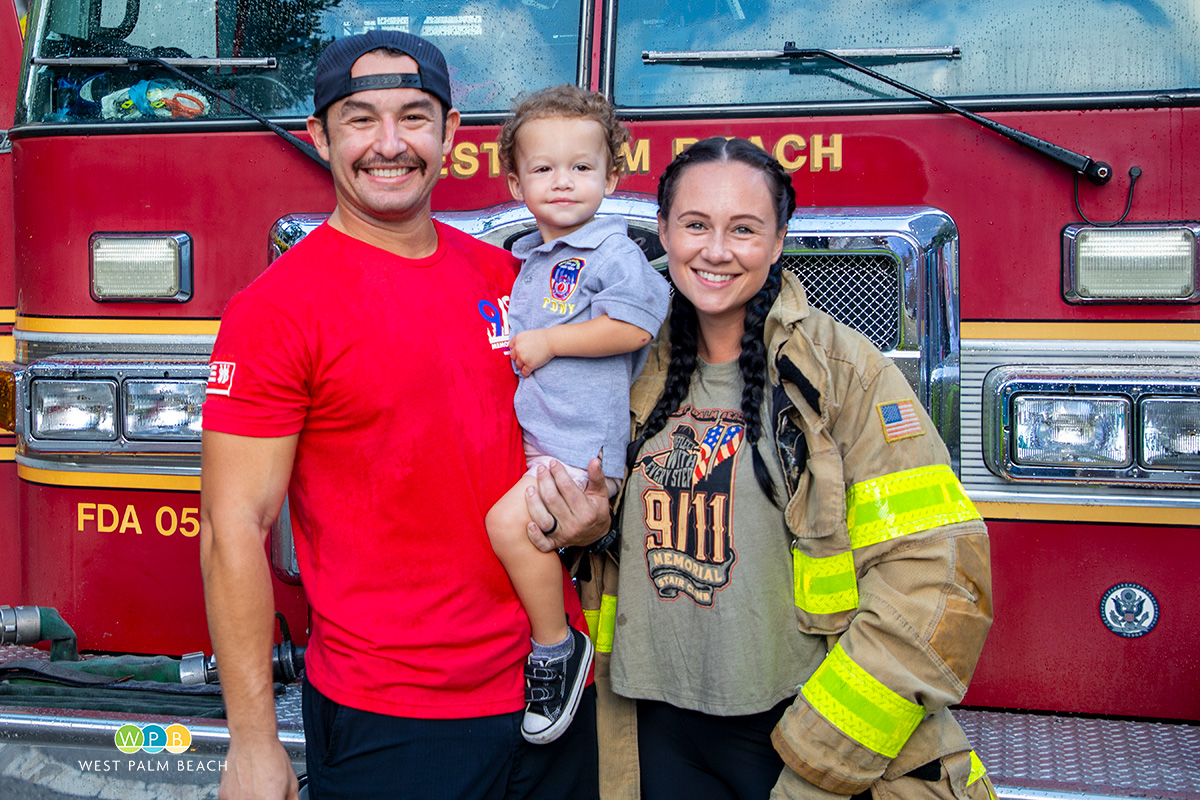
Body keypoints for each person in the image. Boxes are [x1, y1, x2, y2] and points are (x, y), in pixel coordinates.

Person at [199, 31, 605, 800]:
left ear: (451, 134)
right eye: (360, 119)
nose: (390, 145)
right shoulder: (277, 311)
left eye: (415, 118)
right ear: (318, 136)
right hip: (393, 716)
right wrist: (252, 744)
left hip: (552, 687)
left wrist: (588, 516)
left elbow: (567, 443)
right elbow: (232, 531)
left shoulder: (512, 280)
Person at [527, 137, 996, 800]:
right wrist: (587, 529)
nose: (715, 251)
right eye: (695, 225)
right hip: (647, 730)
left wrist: (821, 762)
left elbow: (936, 578)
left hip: (795, 736)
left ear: (778, 242)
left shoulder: (844, 375)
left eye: (743, 229)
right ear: (663, 231)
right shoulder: (613, 362)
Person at [486, 85, 670, 745]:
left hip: (581, 450)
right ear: (515, 181)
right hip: (546, 442)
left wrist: (551, 341)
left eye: (581, 168)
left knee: (505, 526)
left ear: (612, 175)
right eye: (543, 169)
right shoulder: (534, 262)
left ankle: (557, 648)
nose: (562, 182)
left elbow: (633, 324)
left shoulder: (611, 251)